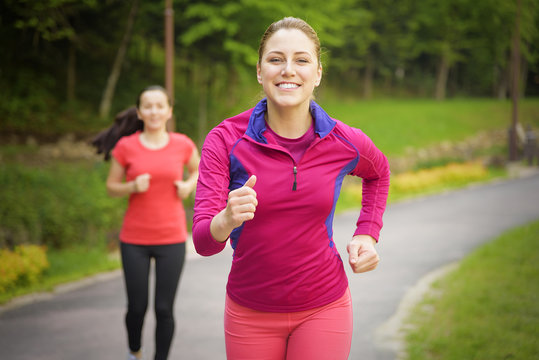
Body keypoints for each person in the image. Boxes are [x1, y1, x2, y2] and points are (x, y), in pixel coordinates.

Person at [192, 17, 390, 360]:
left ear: (317, 73)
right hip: (249, 311)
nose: (288, 70)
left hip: (324, 307)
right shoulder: (224, 139)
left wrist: (367, 233)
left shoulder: (343, 140)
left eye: (301, 60)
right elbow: (203, 243)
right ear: (259, 71)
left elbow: (379, 172)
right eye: (275, 59)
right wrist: (225, 219)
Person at [101, 85, 200, 360]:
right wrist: (132, 186)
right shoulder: (126, 146)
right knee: (136, 307)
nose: (154, 111)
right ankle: (135, 351)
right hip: (134, 239)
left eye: (160, 106)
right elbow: (111, 187)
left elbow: (198, 168)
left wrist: (188, 185)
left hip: (172, 237)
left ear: (169, 111)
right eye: (148, 106)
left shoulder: (182, 144)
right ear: (140, 112)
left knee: (164, 309)